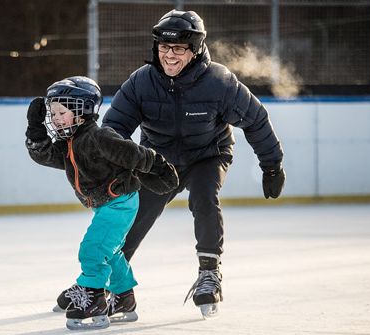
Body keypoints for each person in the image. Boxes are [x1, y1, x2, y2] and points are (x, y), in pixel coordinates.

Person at [101, 9, 286, 319]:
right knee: (132, 215)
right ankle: (103, 283)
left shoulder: (219, 83)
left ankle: (209, 274)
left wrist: (271, 165)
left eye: (178, 49)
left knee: (204, 197)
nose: (169, 56)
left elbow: (255, 120)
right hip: (159, 161)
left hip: (207, 155)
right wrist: (112, 166)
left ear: (196, 49)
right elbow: (114, 129)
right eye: (163, 47)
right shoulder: (141, 83)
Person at [24, 76, 179, 330]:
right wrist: (35, 128)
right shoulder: (67, 144)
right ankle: (124, 298)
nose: (54, 118)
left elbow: (132, 153)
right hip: (107, 203)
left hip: (120, 202)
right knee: (112, 252)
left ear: (82, 111)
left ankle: (93, 297)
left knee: (93, 248)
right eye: (51, 113)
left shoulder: (99, 137)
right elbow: (44, 155)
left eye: (61, 112)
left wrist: (157, 166)